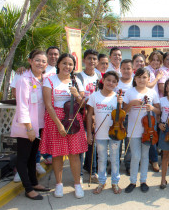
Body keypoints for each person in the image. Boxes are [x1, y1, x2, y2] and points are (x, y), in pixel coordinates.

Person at [40, 53, 87, 199]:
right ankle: (59, 184)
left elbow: (83, 103)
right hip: (55, 119)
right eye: (65, 63)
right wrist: (59, 124)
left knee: (74, 153)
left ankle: (77, 184)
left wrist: (77, 95)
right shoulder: (49, 80)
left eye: (71, 64)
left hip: (73, 118)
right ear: (58, 64)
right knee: (58, 154)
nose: (68, 66)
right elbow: (48, 104)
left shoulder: (77, 81)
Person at [10, 50, 51, 200]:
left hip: (39, 125)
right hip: (26, 127)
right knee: (23, 157)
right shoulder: (23, 80)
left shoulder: (44, 79)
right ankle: (28, 188)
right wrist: (29, 128)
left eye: (43, 61)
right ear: (30, 61)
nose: (40, 63)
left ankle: (34, 182)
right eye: (37, 60)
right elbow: (22, 106)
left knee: (33, 156)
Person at [123, 68, 160, 193]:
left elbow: (159, 111)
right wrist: (132, 103)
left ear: (148, 79)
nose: (141, 79)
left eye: (144, 77)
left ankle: (143, 180)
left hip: (148, 130)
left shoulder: (152, 92)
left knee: (144, 156)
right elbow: (123, 112)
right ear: (135, 78)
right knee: (136, 156)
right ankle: (133, 181)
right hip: (133, 129)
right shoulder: (129, 92)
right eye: (139, 77)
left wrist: (152, 108)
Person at [87, 71, 122, 194]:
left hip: (115, 132)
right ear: (103, 80)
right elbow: (89, 114)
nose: (110, 83)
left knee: (114, 158)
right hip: (100, 133)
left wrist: (120, 104)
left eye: (114, 81)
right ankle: (102, 181)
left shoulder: (118, 97)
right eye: (108, 80)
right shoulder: (94, 96)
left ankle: (115, 182)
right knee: (101, 158)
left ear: (117, 84)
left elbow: (121, 115)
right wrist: (89, 133)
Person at [76, 49, 100, 184]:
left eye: (94, 59)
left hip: (95, 114)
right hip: (81, 113)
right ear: (84, 60)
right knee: (81, 143)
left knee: (93, 144)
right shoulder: (78, 77)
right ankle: (78, 173)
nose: (92, 61)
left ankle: (93, 171)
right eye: (89, 58)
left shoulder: (99, 77)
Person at [116, 59, 134, 176]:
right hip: (117, 117)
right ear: (120, 69)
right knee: (117, 141)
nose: (126, 71)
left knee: (128, 142)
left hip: (131, 116)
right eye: (124, 68)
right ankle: (115, 165)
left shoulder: (135, 82)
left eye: (129, 68)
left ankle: (128, 165)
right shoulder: (116, 82)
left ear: (132, 70)